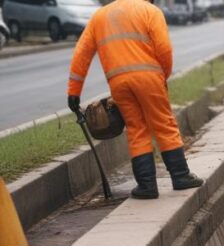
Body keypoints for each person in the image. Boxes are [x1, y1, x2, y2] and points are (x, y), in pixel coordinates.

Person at [67, 0, 203, 200]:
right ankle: (180, 176)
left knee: (136, 129)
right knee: (163, 123)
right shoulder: (150, 11)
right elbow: (164, 48)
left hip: (118, 83)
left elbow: (82, 54)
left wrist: (74, 91)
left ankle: (146, 185)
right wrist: (163, 75)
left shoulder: (99, 16)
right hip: (149, 77)